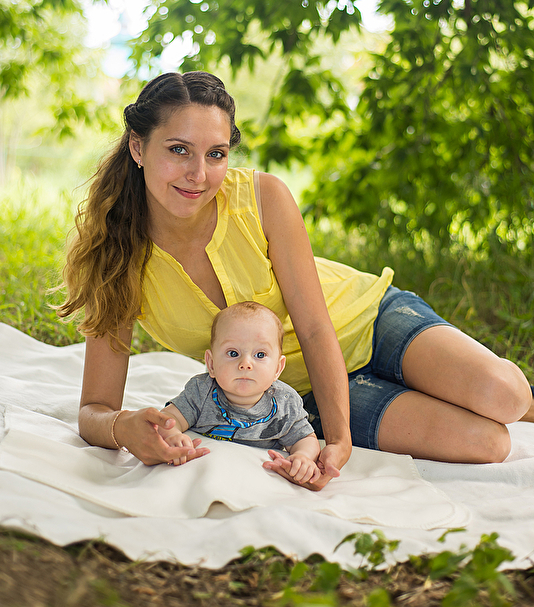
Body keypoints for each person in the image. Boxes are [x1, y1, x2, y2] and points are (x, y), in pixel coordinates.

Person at [59, 71, 534, 491]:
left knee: (506, 395)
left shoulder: (262, 197)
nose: (198, 174)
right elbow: (95, 407)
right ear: (138, 147)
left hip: (369, 320)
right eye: (178, 150)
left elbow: (313, 327)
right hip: (299, 395)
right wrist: (123, 429)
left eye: (216, 154)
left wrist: (341, 442)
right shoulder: (114, 257)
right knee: (489, 443)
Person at [159, 301, 325, 486]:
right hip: (203, 478)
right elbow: (168, 419)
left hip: (256, 482)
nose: (245, 364)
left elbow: (304, 439)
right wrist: (172, 435)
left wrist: (303, 457)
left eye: (260, 355)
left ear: (278, 368)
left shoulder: (284, 403)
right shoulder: (201, 391)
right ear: (211, 364)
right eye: (233, 353)